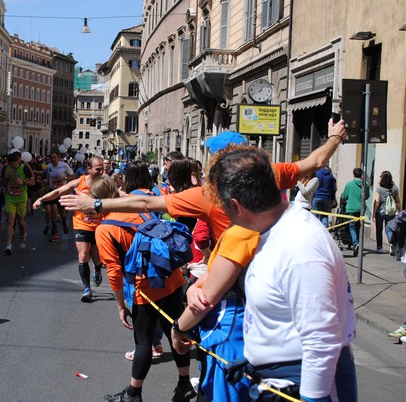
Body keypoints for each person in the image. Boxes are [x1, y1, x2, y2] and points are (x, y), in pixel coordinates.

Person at [61, 120, 349, 401]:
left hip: (281, 365)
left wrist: (181, 325)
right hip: (263, 351)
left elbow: (321, 343)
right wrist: (335, 137)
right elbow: (315, 160)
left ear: (234, 202)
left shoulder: (260, 238)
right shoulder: (270, 195)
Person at [198, 145, 357, 401]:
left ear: (236, 206)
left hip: (300, 383)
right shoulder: (274, 231)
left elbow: (322, 338)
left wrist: (312, 398)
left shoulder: (299, 246)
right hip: (277, 378)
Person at [91, 171, 196, 402]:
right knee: (176, 332)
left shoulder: (105, 229)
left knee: (144, 341)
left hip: (146, 290)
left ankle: (133, 394)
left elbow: (114, 271)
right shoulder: (141, 209)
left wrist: (120, 305)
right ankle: (184, 383)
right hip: (172, 278)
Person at [34, 156, 105, 302]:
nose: (101, 171)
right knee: (83, 255)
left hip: (99, 226)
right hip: (81, 224)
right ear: (89, 169)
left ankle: (97, 269)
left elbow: (118, 196)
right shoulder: (79, 182)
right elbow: (58, 192)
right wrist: (41, 199)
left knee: (97, 258)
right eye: (98, 169)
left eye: (102, 169)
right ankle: (87, 289)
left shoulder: (105, 183)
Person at [3, 151, 35, 255]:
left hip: (21, 198)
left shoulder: (24, 168)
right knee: (10, 221)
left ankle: (24, 234)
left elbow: (32, 182)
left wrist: (23, 182)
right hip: (10, 198)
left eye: (13, 164)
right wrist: (5, 178)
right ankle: (8, 245)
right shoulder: (7, 169)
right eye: (10, 164)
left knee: (21, 221)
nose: (12, 166)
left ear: (18, 161)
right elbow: (1, 182)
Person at [42, 151, 74, 242]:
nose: (53, 159)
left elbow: (73, 176)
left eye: (54, 157)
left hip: (62, 192)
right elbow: (47, 178)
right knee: (53, 212)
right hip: (53, 191)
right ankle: (55, 233)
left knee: (62, 213)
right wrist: (45, 182)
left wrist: (64, 178)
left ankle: (64, 222)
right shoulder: (48, 167)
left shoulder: (64, 166)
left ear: (58, 157)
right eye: (51, 158)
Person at [340, 167, 370, 256]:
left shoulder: (349, 184)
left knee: (352, 227)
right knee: (359, 227)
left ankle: (355, 243)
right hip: (361, 209)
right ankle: (357, 243)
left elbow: (344, 196)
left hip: (351, 208)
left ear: (354, 174)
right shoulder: (366, 185)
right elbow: (367, 196)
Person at [372, 171, 401, 254]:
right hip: (391, 212)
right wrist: (399, 212)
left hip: (380, 212)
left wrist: (374, 214)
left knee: (379, 230)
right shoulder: (395, 188)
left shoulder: (379, 188)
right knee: (389, 229)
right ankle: (391, 244)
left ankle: (379, 248)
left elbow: (377, 201)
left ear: (382, 178)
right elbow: (398, 200)